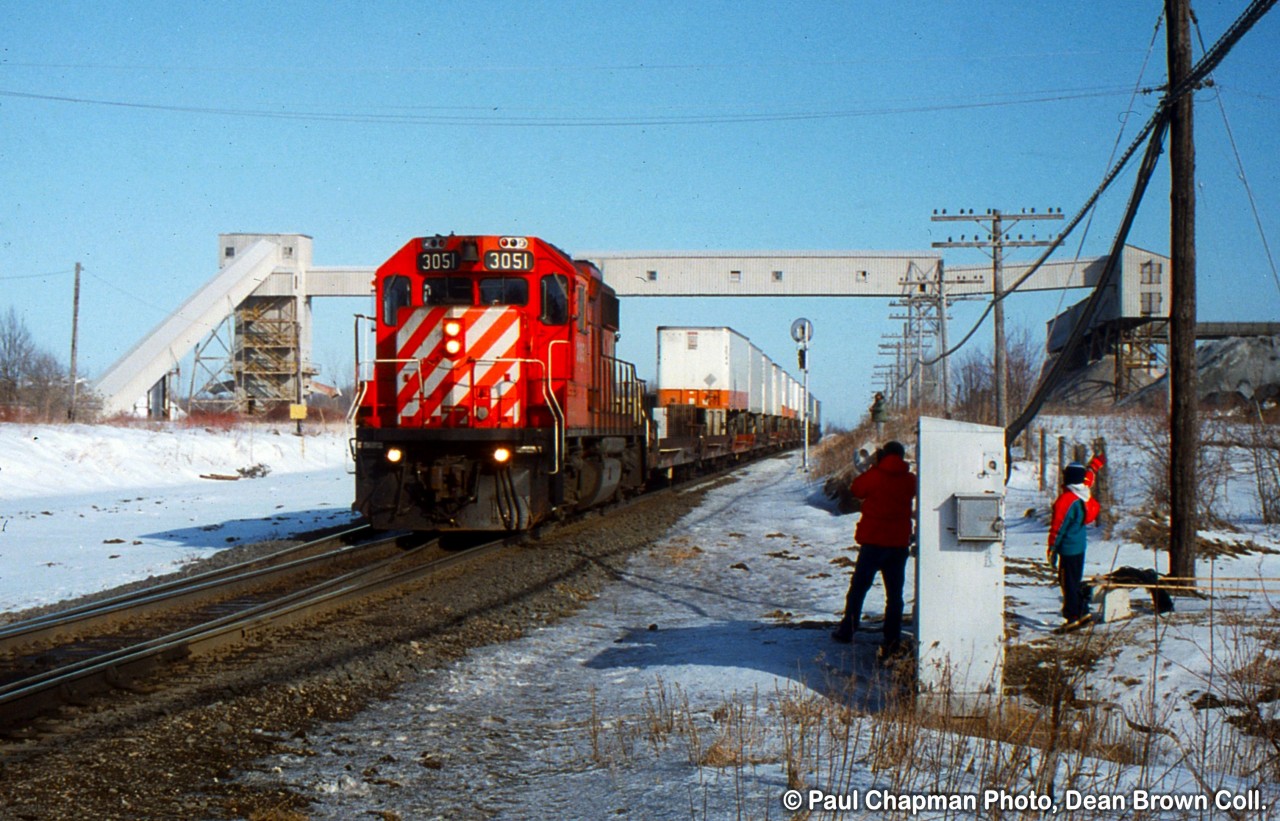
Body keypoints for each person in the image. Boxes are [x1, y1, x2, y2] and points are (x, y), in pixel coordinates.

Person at [832, 441, 917, 660]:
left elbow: (856, 489)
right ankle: (892, 638)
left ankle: (847, 630)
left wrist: (872, 467)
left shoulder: (876, 475)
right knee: (895, 595)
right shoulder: (910, 479)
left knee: (859, 588)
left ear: (882, 455)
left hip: (872, 544)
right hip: (898, 544)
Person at [1047, 454, 1106, 627]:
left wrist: (1052, 549)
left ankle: (1072, 616)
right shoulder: (1083, 491)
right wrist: (1095, 464)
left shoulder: (1065, 501)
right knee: (1075, 579)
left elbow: (1058, 529)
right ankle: (1083, 611)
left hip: (1068, 548)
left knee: (1068, 583)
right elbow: (1090, 476)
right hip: (1080, 546)